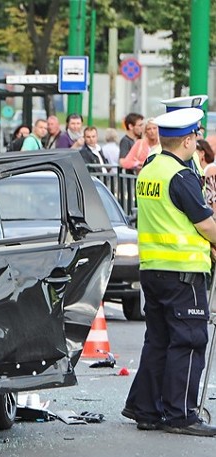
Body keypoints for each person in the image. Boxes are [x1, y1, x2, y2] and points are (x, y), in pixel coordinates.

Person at [123, 107, 216, 436]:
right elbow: (205, 224)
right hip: (182, 271)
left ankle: (145, 409)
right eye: (196, 136)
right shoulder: (180, 175)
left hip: (153, 268)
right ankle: (181, 414)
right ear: (189, 140)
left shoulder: (150, 169)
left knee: (158, 340)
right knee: (189, 341)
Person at [196, 139, 216, 211]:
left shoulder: (211, 169)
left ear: (202, 153)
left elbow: (213, 197)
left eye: (195, 152)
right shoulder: (202, 170)